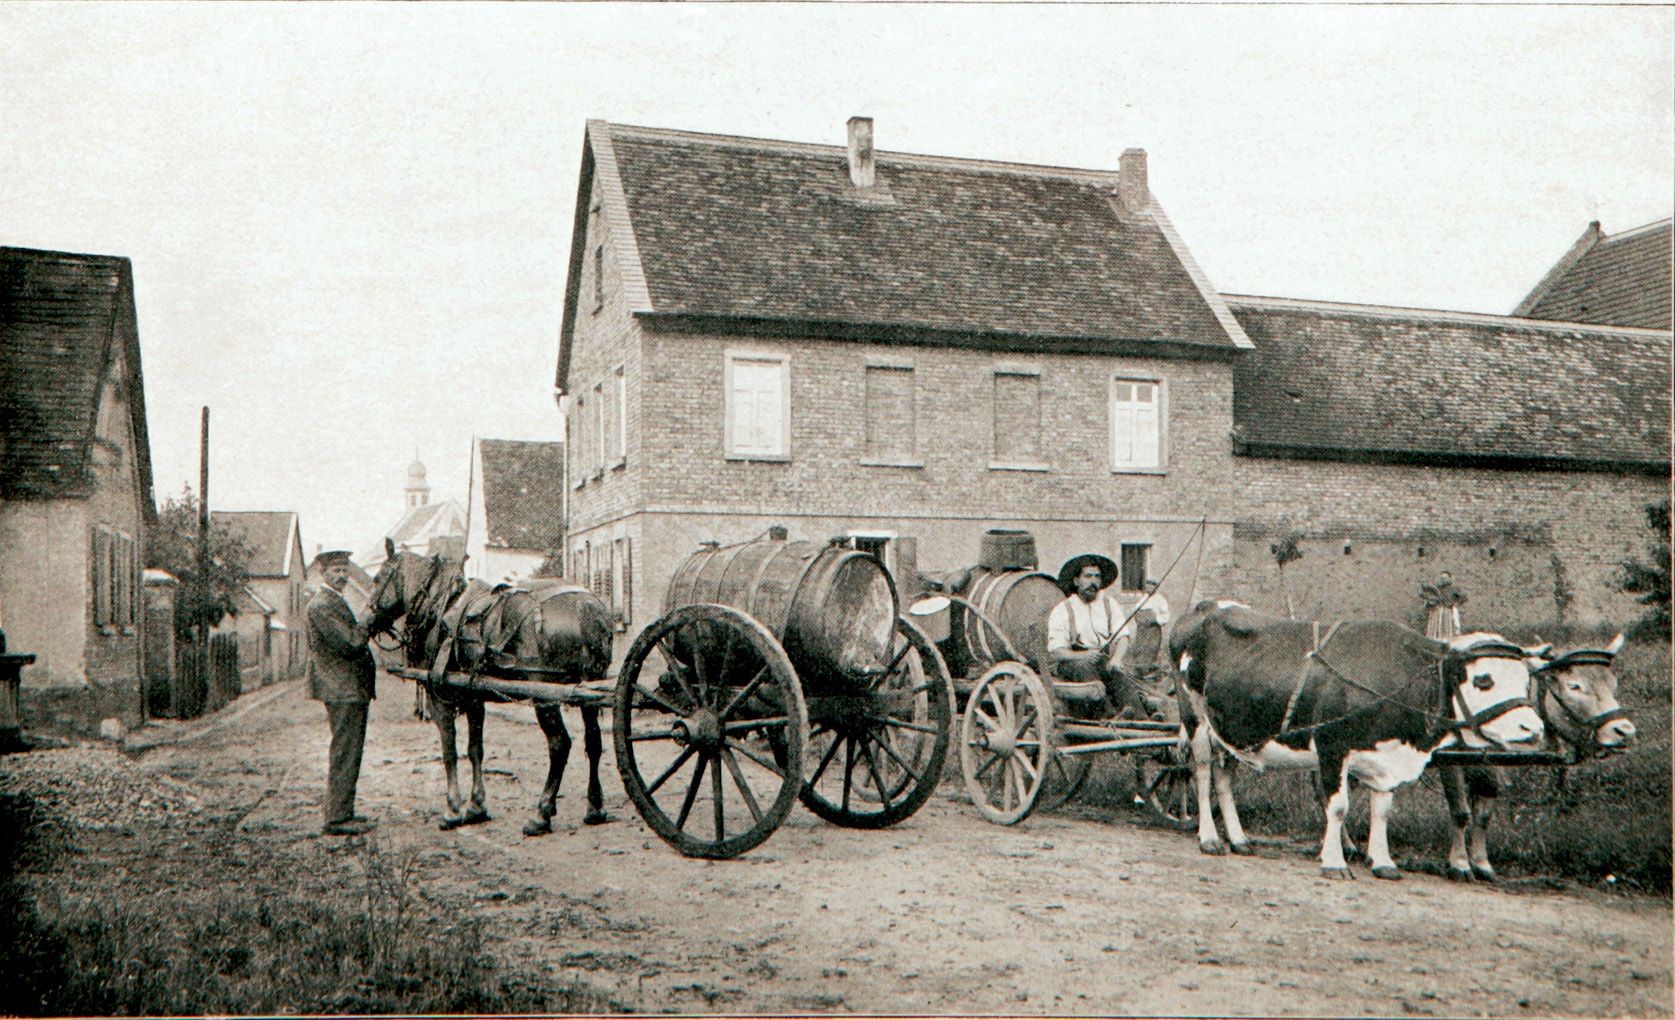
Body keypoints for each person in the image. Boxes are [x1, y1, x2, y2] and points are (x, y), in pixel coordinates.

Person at [307, 550, 378, 836]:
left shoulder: (334, 600)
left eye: (344, 570)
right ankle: (336, 818)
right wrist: (368, 621)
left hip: (349, 688)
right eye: (335, 570)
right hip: (342, 688)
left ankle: (343, 812)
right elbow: (350, 643)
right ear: (322, 573)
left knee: (349, 751)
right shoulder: (321, 605)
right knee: (345, 751)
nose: (342, 575)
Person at [1046, 553, 1136, 712]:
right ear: (1076, 581)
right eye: (1087, 576)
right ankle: (1109, 717)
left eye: (1097, 577)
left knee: (1119, 673)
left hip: (1102, 660)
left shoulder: (1110, 604)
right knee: (1085, 668)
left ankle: (1138, 717)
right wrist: (1083, 655)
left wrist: (1116, 659)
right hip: (1073, 664)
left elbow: (1123, 636)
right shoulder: (1063, 610)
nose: (1093, 582)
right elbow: (1057, 652)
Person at [1421, 570, 1467, 641]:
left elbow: (1463, 597)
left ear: (1449, 578)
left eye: (1445, 577)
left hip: (1447, 611)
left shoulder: (1453, 589)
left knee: (1447, 629)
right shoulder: (1436, 588)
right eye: (1442, 577)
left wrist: (1456, 604)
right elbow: (1427, 597)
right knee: (1434, 630)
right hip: (1435, 611)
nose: (1443, 579)